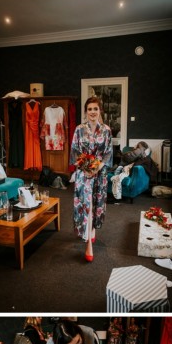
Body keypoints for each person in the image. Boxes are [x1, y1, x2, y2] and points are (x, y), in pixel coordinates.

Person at [70, 96, 112, 255]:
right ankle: (88, 244)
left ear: (100, 110)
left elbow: (108, 153)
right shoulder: (79, 129)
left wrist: (97, 167)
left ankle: (93, 229)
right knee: (86, 205)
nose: (92, 112)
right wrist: (87, 168)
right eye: (89, 109)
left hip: (100, 174)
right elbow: (75, 152)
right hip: (83, 173)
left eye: (95, 109)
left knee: (96, 204)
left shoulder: (106, 130)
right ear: (86, 112)